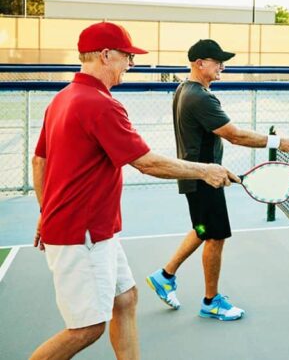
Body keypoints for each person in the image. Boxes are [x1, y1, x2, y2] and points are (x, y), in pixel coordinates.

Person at [31, 22, 237, 360]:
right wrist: (205, 170)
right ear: (106, 55)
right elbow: (145, 163)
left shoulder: (63, 98)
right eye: (127, 56)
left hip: (96, 230)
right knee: (86, 330)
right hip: (82, 234)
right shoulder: (100, 104)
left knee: (125, 299)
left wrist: (45, 211)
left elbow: (39, 161)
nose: (131, 63)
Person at [146, 39, 289, 321]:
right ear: (199, 63)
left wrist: (217, 168)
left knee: (203, 228)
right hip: (202, 178)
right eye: (217, 61)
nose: (222, 66)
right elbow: (235, 135)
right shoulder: (200, 97)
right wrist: (278, 141)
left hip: (199, 174)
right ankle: (211, 302)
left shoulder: (184, 89)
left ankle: (165, 275)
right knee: (215, 236)